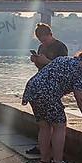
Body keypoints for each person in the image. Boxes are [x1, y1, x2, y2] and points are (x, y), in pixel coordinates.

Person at [22, 46, 82, 163]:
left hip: (32, 89)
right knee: (60, 125)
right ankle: (57, 162)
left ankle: (44, 160)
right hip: (48, 93)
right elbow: (80, 99)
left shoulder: (63, 59)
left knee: (44, 126)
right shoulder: (80, 73)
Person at [25, 23, 69, 156]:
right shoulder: (41, 47)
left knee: (52, 123)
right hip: (42, 86)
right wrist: (36, 60)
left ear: (50, 34)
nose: (43, 42)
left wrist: (47, 61)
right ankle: (43, 149)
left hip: (54, 87)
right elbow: (41, 67)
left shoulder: (60, 47)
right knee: (44, 123)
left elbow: (63, 68)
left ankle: (46, 151)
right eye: (40, 40)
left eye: (44, 39)